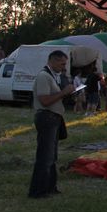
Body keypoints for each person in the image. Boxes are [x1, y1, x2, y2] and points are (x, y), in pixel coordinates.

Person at [28, 50, 75, 199]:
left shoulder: (54, 76)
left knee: (52, 156)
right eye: (62, 63)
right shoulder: (44, 77)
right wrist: (63, 92)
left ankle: (50, 186)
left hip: (54, 119)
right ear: (53, 61)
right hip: (46, 118)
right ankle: (38, 191)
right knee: (45, 157)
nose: (64, 66)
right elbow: (45, 100)